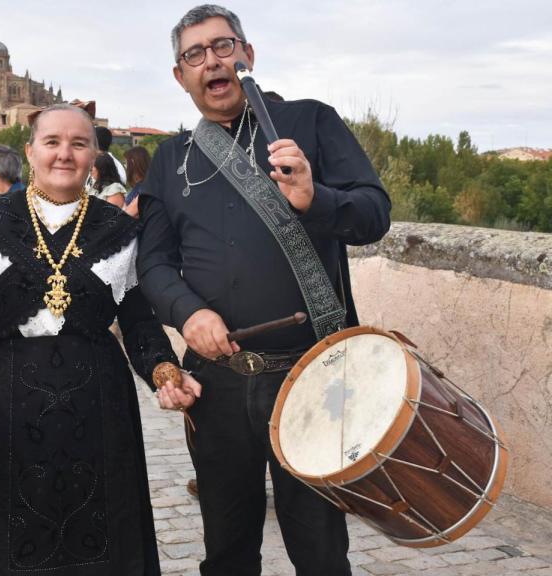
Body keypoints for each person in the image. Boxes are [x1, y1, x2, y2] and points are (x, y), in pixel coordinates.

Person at [137, 5, 391, 576]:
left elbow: (375, 215)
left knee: (322, 552)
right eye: (194, 54)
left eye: (223, 46)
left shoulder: (310, 122)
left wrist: (315, 198)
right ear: (181, 77)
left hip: (313, 379)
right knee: (226, 552)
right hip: (218, 385)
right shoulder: (169, 159)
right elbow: (153, 263)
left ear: (247, 54)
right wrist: (187, 311)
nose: (212, 61)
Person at [0, 104, 190, 575]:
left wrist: (164, 372)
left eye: (78, 144)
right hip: (0, 408)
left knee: (97, 541)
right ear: (30, 152)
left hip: (97, 412)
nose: (64, 154)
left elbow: (138, 321)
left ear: (93, 156)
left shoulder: (121, 232)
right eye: (52, 142)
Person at [122, 146, 151, 218]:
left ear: (133, 162)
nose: (125, 167)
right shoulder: (144, 185)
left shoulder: (145, 188)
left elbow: (127, 214)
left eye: (126, 163)